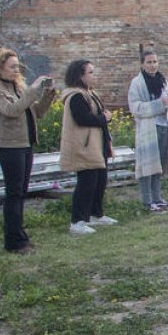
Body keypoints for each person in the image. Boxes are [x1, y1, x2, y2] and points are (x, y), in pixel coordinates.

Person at [0, 48, 56, 253]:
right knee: (13, 193)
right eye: (12, 67)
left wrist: (47, 95)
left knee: (21, 193)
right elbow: (11, 111)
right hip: (8, 146)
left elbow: (37, 113)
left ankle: (20, 236)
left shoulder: (18, 89)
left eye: (17, 67)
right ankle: (13, 241)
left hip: (25, 144)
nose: (16, 71)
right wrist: (32, 90)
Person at [60, 59, 116, 235]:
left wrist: (106, 117)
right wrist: (104, 118)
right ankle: (77, 221)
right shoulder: (76, 96)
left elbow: (100, 115)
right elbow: (83, 119)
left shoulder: (90, 93)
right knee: (87, 183)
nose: (94, 75)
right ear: (80, 76)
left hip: (98, 144)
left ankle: (95, 214)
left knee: (100, 180)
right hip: (85, 146)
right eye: (90, 72)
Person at [128, 50, 168, 212]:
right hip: (148, 128)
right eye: (149, 62)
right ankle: (147, 200)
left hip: (164, 125)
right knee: (147, 165)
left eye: (155, 62)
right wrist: (158, 105)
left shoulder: (162, 80)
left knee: (159, 164)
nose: (153, 65)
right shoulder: (137, 83)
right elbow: (135, 108)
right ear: (142, 64)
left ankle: (157, 197)